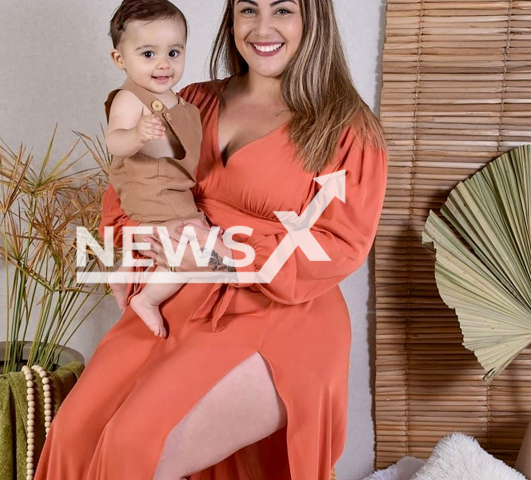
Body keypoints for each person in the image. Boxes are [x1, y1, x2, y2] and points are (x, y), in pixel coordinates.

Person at [33, 0, 388, 479]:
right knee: (72, 437)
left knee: (132, 447)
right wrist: (124, 251)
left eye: (282, 9)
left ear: (312, 17)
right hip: (175, 294)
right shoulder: (190, 100)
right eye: (248, 10)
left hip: (277, 313)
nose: (262, 28)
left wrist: (222, 252)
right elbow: (133, 182)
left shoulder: (346, 127)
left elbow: (339, 243)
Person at [103, 0, 210, 338]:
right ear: (120, 59)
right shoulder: (130, 99)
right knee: (194, 245)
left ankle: (124, 272)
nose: (163, 64)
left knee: (184, 239)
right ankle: (148, 299)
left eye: (174, 53)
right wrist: (135, 134)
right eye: (148, 54)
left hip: (170, 189)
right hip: (151, 188)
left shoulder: (179, 101)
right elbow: (114, 141)